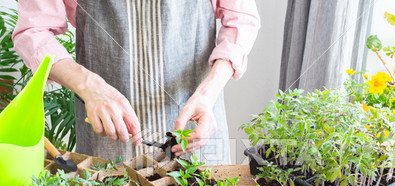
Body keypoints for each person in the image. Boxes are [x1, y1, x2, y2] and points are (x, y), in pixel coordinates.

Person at [13, 0, 260, 164]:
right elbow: (33, 31)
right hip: (108, 136)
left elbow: (241, 19)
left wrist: (208, 93)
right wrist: (89, 85)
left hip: (195, 126)